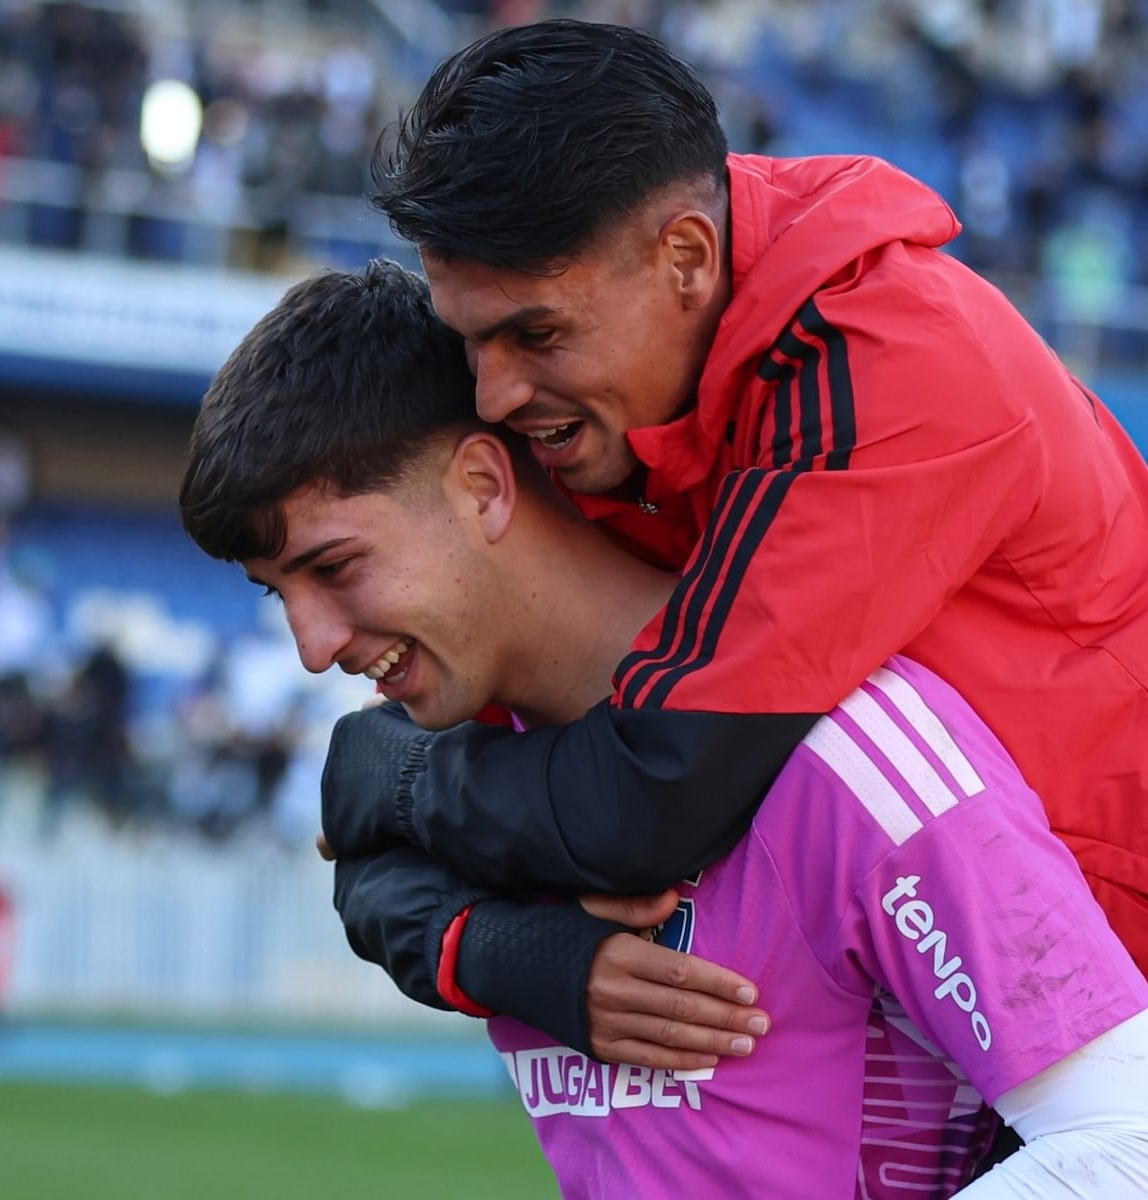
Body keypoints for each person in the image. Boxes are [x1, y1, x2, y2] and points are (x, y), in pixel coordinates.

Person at [178, 263, 1148, 1198]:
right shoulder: (467, 777)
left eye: (336, 568)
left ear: (483, 485)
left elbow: (1127, 1145)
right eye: (281, 595)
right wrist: (507, 952)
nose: (311, 648)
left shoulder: (852, 750)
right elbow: (371, 868)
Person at [318, 19, 1148, 1042]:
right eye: (471, 341)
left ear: (688, 258)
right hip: (964, 1027)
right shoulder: (611, 392)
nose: (492, 395)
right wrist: (497, 949)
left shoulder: (896, 358)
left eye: (535, 333)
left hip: (1101, 1034)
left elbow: (647, 803)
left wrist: (392, 776)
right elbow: (367, 849)